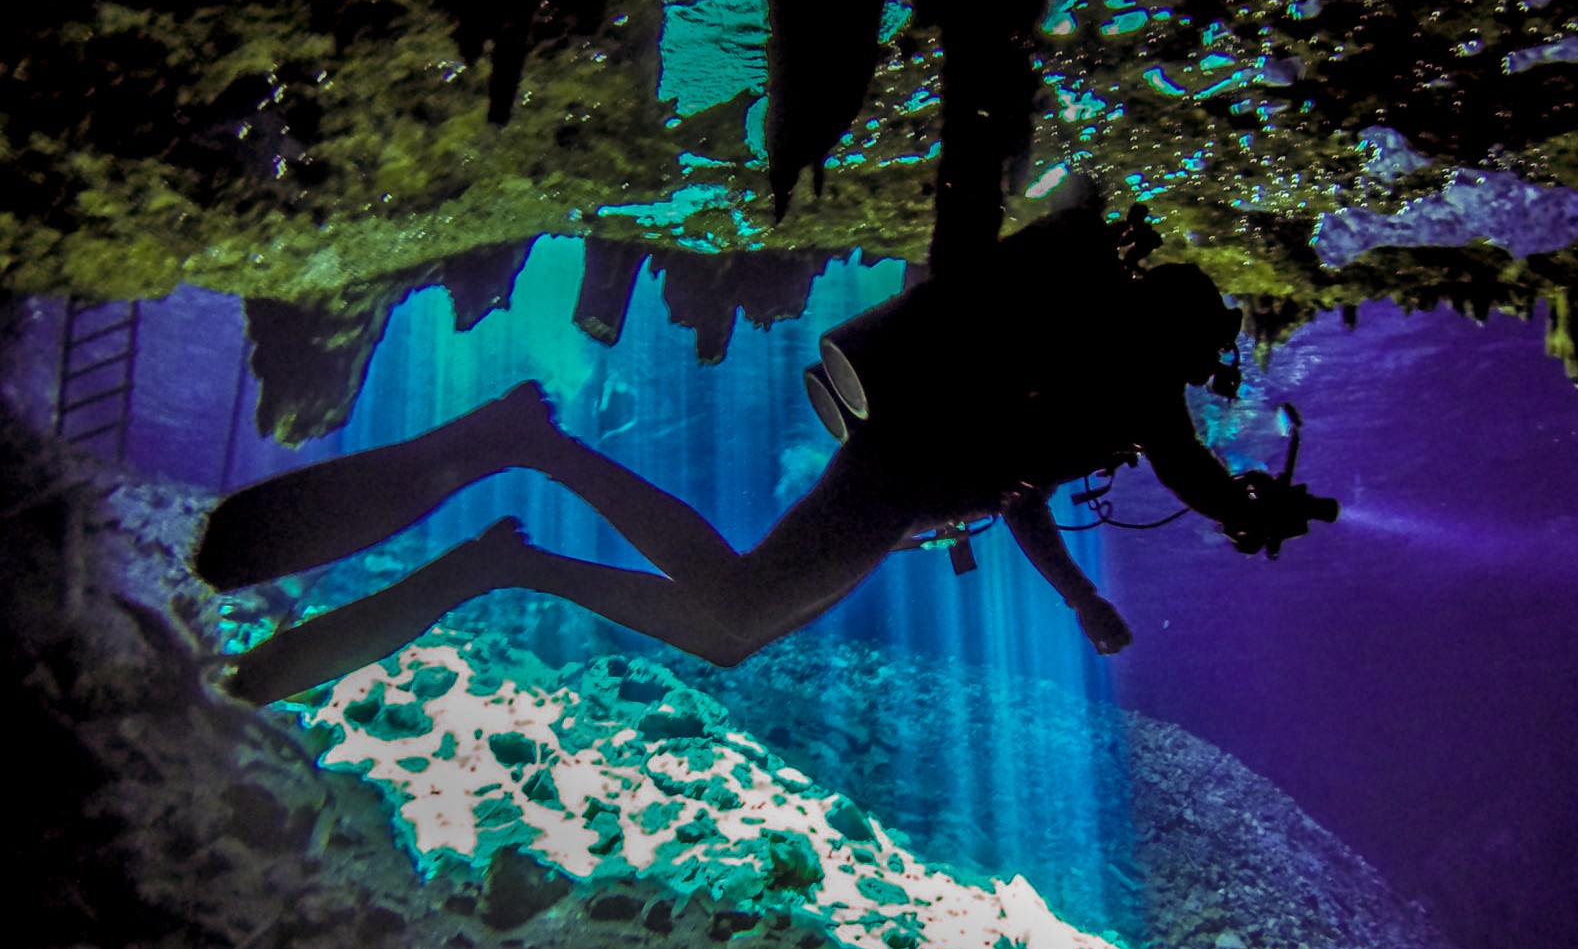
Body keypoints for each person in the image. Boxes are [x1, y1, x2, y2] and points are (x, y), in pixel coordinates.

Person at [195, 207, 1337, 706]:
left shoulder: (1103, 387)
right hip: (898, 472)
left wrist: (1083, 595)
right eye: (1209, 355)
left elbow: (1025, 489)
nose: (1202, 379)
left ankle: (509, 539)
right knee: (736, 609)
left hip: (910, 484)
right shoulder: (1136, 368)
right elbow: (1185, 461)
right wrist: (1237, 503)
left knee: (729, 631)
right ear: (1181, 330)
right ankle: (523, 458)